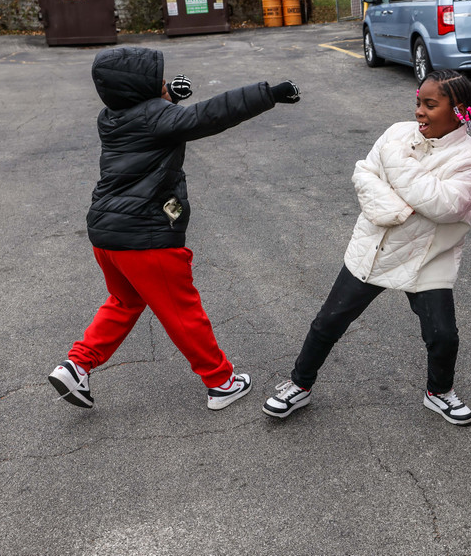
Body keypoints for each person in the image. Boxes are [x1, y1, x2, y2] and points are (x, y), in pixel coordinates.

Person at [48, 46, 302, 411]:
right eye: (159, 80)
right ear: (141, 88)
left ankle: (76, 365)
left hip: (106, 235)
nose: (165, 82)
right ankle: (221, 382)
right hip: (145, 236)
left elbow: (154, 116)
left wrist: (168, 96)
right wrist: (270, 93)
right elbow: (209, 115)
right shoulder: (155, 116)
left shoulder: (110, 116)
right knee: (182, 312)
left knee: (125, 301)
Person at [263, 69, 471, 426]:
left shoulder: (469, 160)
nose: (419, 112)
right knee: (328, 322)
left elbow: (445, 206)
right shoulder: (397, 133)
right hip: (376, 246)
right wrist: (399, 210)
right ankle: (299, 385)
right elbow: (364, 175)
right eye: (418, 102)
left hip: (428, 257)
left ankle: (439, 392)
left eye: (430, 104)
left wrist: (396, 168)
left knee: (443, 335)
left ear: (458, 109)